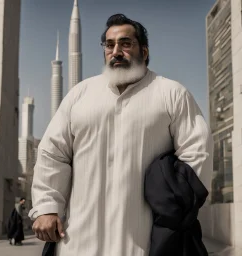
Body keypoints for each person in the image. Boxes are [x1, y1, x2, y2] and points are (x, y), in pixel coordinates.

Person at [29, 14, 213, 255]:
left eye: (126, 43)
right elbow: (53, 152)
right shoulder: (80, 95)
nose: (116, 51)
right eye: (109, 44)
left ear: (144, 51)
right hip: (76, 242)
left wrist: (172, 210)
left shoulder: (171, 94)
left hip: (144, 243)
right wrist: (47, 207)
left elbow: (198, 151)